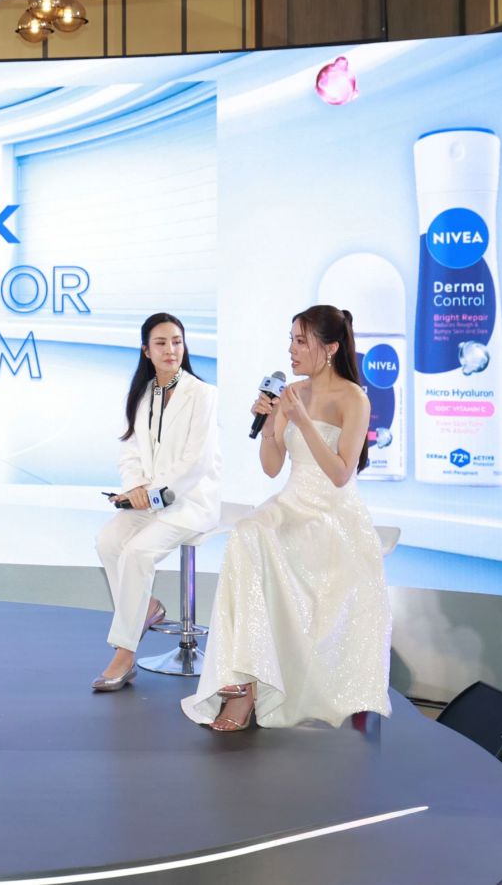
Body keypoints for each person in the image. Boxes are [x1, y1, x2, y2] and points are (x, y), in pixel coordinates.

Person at [182, 304, 392, 732]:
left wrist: (303, 421)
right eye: (291, 340)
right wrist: (270, 424)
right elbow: (272, 466)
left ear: (330, 348)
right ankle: (242, 683)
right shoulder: (293, 392)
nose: (292, 350)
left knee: (259, 540)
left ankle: (250, 685)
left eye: (301, 341)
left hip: (331, 513)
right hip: (290, 502)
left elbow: (340, 474)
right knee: (246, 533)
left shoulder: (354, 398)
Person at [92, 313, 221, 691]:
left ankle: (124, 653)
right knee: (107, 541)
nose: (171, 349)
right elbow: (130, 452)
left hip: (189, 502)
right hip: (148, 502)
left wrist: (150, 493)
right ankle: (146, 606)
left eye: (177, 341)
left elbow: (195, 463)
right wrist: (134, 490)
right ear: (146, 351)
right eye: (161, 343)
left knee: (137, 552)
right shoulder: (143, 394)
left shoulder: (203, 394)